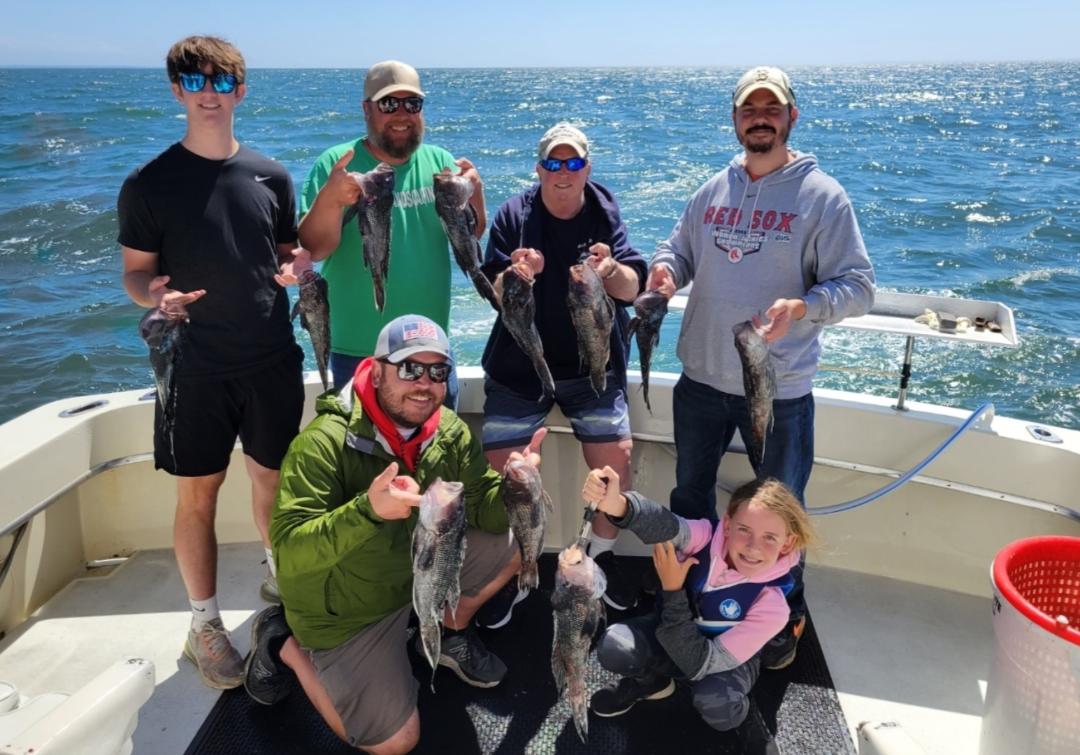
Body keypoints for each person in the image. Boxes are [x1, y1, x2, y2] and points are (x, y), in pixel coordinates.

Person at [647, 66, 875, 667]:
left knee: (781, 513)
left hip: (780, 390)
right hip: (700, 381)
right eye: (750, 109)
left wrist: (804, 307)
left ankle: (783, 616)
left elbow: (859, 286)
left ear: (792, 116)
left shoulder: (823, 196)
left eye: (772, 108)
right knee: (690, 496)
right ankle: (689, 596)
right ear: (735, 118)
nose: (761, 118)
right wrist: (665, 272)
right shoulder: (712, 190)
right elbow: (678, 250)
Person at [244, 315, 540, 754]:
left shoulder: (449, 430)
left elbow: (484, 508)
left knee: (518, 540)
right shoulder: (321, 444)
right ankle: (282, 644)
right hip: (345, 610)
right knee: (395, 743)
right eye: (409, 368)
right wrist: (367, 511)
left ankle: (447, 634)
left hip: (412, 573)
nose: (424, 384)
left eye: (437, 371)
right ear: (377, 370)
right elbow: (289, 553)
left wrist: (516, 489)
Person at [117, 36, 308, 690]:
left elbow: (285, 253)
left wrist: (295, 268)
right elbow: (136, 274)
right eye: (194, 82)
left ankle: (282, 588)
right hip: (193, 366)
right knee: (197, 495)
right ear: (176, 91)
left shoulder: (271, 176)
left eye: (221, 82)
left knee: (274, 480)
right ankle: (204, 625)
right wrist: (154, 294)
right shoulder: (147, 183)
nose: (208, 93)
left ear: (240, 92)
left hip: (270, 358)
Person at [478, 123, 647, 619]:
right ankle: (512, 568)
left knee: (616, 461)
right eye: (554, 163)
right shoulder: (514, 215)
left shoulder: (604, 211)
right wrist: (515, 276)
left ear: (587, 169)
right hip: (519, 366)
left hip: (592, 367)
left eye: (573, 163)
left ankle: (602, 557)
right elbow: (492, 291)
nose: (563, 172)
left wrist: (609, 271)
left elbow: (633, 288)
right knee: (505, 476)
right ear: (539, 169)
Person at [582, 470, 817, 755]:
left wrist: (672, 590)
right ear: (727, 526)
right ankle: (653, 683)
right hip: (671, 633)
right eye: (744, 529)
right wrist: (619, 505)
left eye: (770, 537)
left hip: (721, 661)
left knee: (716, 701)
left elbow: (699, 665)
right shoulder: (707, 536)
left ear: (788, 543)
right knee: (615, 646)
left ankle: (744, 718)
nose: (753, 547)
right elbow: (667, 525)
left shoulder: (773, 607)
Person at [298, 60, 486, 400]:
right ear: (366, 108)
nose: (402, 114)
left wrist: (476, 195)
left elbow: (470, 239)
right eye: (388, 103)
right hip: (359, 352)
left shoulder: (441, 161)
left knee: (440, 438)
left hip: (431, 348)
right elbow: (314, 249)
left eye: (412, 103)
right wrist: (330, 199)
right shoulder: (336, 164)